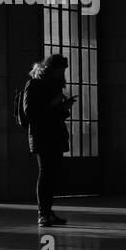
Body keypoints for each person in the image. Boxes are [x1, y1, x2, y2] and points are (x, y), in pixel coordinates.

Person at [22, 53, 74, 227]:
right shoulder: (34, 84)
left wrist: (63, 107)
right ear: (52, 69)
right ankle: (43, 213)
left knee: (50, 175)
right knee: (46, 174)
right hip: (43, 135)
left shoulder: (54, 86)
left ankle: (47, 211)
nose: (62, 74)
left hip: (53, 134)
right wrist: (54, 104)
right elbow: (30, 111)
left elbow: (54, 113)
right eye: (61, 70)